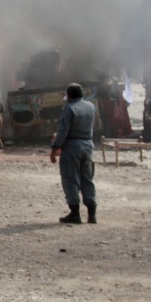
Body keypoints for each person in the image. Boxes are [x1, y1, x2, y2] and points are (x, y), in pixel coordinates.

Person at [50, 82, 97, 225]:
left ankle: (75, 214)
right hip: (88, 145)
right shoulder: (91, 107)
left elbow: (63, 132)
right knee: (87, 178)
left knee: (71, 179)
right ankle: (92, 214)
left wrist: (55, 147)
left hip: (72, 147)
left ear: (69, 96)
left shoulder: (69, 109)